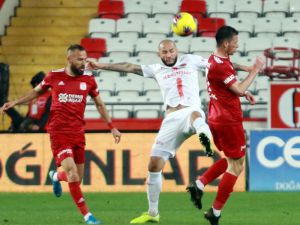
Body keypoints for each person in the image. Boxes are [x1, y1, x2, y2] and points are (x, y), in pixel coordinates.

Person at [86, 39, 252, 224]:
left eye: (171, 51)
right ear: (160, 54)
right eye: (164, 52)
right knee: (154, 165)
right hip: (171, 120)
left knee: (196, 115)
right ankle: (153, 212)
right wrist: (100, 65)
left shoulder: (191, 60)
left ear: (176, 50)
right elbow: (128, 66)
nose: (169, 55)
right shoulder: (156, 69)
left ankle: (203, 136)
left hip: (191, 111)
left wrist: (244, 68)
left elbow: (220, 65)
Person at [0, 44, 122, 225]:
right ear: (69, 59)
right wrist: (16, 102)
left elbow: (99, 104)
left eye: (85, 59)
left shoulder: (88, 80)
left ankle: (56, 176)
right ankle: (88, 216)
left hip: (78, 133)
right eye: (80, 59)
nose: (84, 63)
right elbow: (36, 92)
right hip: (58, 132)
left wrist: (112, 126)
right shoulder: (54, 76)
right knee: (72, 173)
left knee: (77, 178)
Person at [186, 26, 265, 225]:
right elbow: (237, 89)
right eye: (236, 43)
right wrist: (254, 71)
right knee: (237, 166)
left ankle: (200, 184)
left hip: (216, 117)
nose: (237, 46)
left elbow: (228, 84)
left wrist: (241, 89)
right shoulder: (220, 65)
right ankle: (215, 212)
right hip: (228, 120)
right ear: (226, 43)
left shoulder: (215, 59)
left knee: (230, 160)